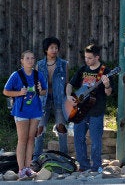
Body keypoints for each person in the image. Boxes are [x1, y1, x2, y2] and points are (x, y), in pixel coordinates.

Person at [66, 44, 113, 172]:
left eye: (90, 58)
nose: (87, 60)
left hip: (96, 110)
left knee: (96, 140)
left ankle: (96, 166)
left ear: (97, 57)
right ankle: (83, 165)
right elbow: (70, 84)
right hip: (81, 109)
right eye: (86, 57)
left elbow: (108, 92)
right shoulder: (82, 70)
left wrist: (107, 85)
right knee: (78, 137)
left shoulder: (106, 71)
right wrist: (69, 96)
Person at [4, 50, 47, 180]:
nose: (30, 60)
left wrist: (41, 90)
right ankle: (21, 169)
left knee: (31, 139)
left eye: (32, 58)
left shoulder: (38, 75)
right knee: (22, 139)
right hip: (21, 111)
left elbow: (44, 92)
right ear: (22, 60)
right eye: (27, 58)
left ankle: (28, 168)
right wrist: (19, 93)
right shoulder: (16, 75)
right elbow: (6, 91)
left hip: (35, 111)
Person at [34, 37, 69, 158]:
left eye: (56, 48)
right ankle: (36, 156)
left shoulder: (63, 64)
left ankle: (64, 156)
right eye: (51, 48)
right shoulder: (39, 65)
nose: (54, 50)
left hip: (59, 98)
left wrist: (68, 98)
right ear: (46, 49)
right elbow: (35, 84)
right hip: (43, 99)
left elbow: (66, 84)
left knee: (61, 127)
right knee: (39, 128)